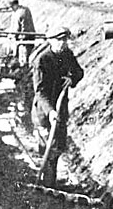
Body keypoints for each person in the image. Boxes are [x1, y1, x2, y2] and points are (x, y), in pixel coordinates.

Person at [31, 26, 84, 187]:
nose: (62, 43)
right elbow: (40, 91)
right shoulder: (42, 60)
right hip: (43, 113)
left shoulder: (67, 55)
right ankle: (47, 186)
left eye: (65, 40)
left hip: (61, 110)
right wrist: (50, 111)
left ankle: (49, 183)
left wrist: (72, 79)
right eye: (59, 40)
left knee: (58, 147)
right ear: (50, 41)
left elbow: (79, 72)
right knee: (48, 150)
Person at [9, 0, 36, 66]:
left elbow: (16, 29)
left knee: (23, 54)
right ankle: (28, 66)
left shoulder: (18, 13)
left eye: (12, 7)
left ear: (15, 5)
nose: (12, 9)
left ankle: (23, 66)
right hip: (31, 35)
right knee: (29, 53)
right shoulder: (26, 9)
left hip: (23, 37)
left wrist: (11, 36)